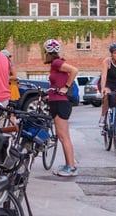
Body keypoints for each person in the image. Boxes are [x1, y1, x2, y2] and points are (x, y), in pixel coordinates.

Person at [43, 39, 80, 177]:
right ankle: (68, 164)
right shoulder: (55, 64)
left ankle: (71, 167)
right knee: (63, 136)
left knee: (64, 137)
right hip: (57, 101)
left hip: (61, 102)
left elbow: (74, 70)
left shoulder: (57, 63)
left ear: (46, 52)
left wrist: (66, 87)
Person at [98, 42, 116, 127]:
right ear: (111, 54)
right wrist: (103, 89)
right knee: (107, 95)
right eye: (115, 53)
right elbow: (104, 77)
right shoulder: (107, 61)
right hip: (108, 83)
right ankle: (103, 116)